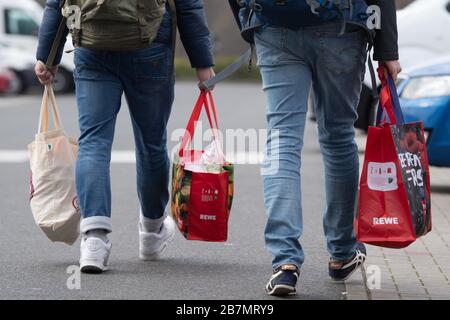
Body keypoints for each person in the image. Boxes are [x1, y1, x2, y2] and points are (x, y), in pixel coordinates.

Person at [230, 0, 402, 296]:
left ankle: (285, 262)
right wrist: (388, 49)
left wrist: (249, 21)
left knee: (282, 139)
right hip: (342, 26)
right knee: (338, 137)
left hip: (274, 24)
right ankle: (342, 251)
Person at [35, 0, 215, 273]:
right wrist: (202, 62)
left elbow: (55, 3)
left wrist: (47, 56)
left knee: (93, 143)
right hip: (150, 49)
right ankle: (152, 233)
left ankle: (94, 239)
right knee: (151, 143)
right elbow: (187, 4)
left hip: (92, 45)